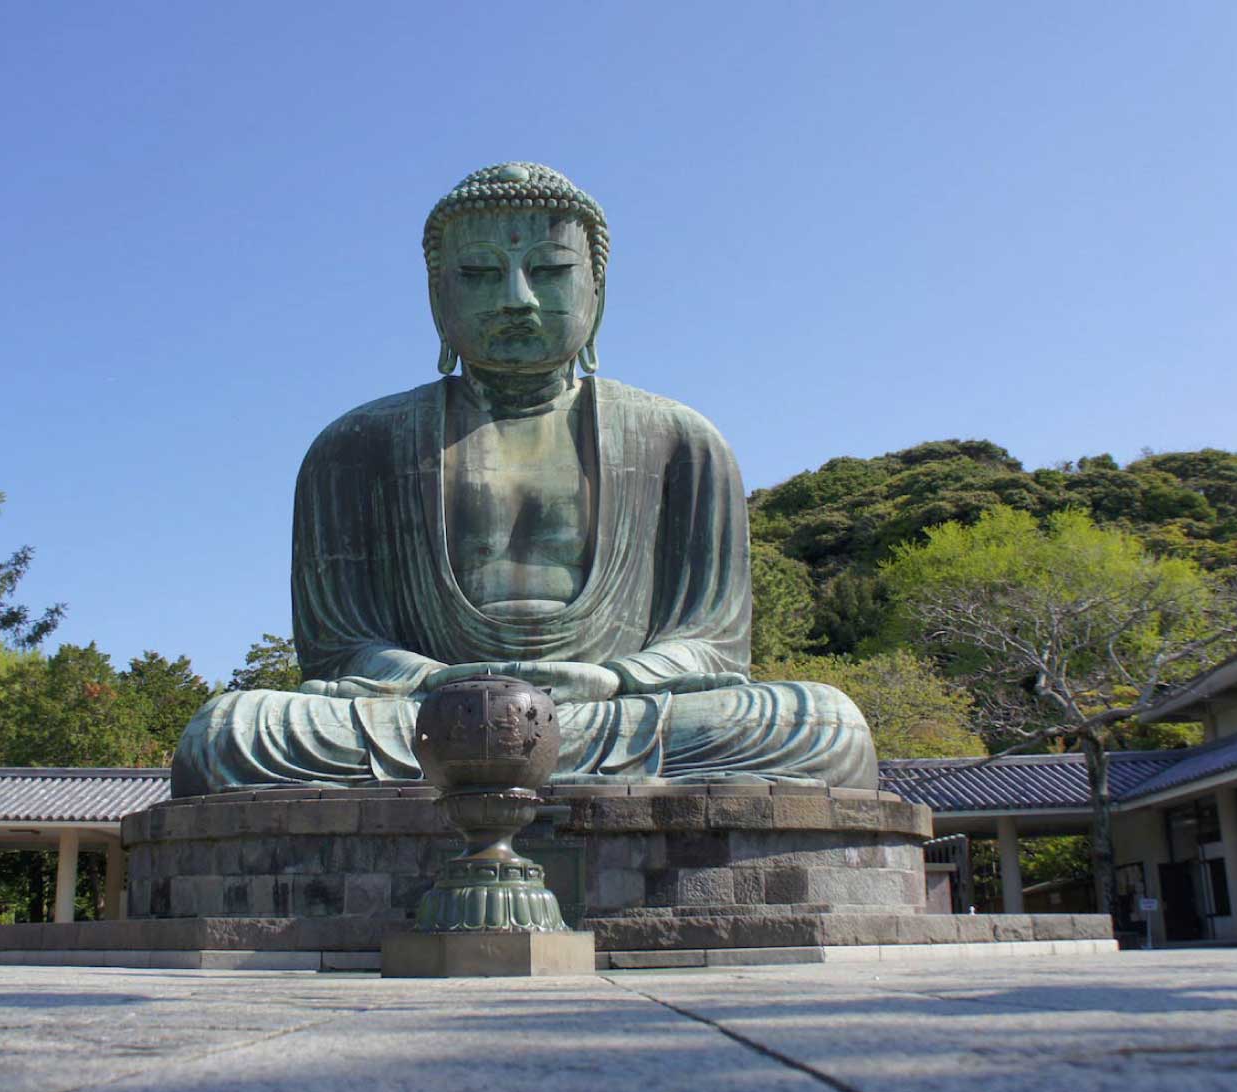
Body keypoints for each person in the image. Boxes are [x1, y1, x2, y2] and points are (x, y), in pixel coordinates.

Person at [172, 163, 877, 794]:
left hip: (616, 712)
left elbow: (712, 645)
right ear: (437, 297)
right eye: (480, 274)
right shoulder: (357, 446)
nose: (516, 298)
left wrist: (615, 678)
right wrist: (440, 682)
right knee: (231, 732)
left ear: (598, 290)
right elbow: (340, 650)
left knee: (823, 725)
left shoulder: (679, 441)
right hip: (430, 717)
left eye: (549, 271)